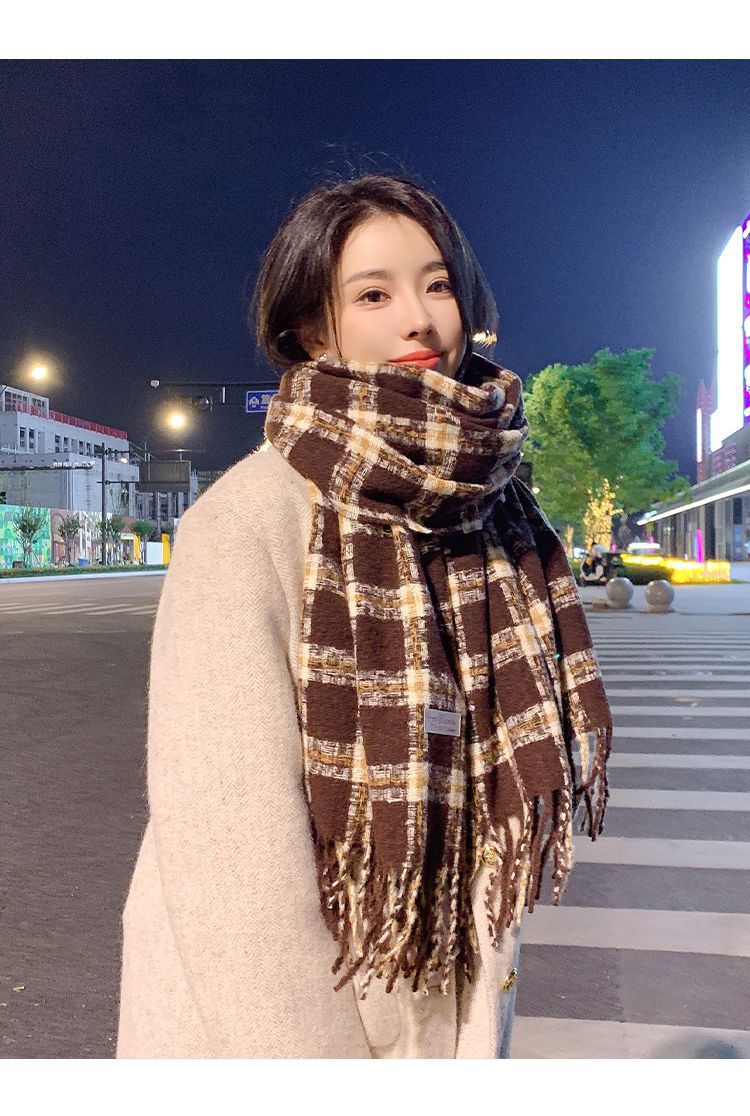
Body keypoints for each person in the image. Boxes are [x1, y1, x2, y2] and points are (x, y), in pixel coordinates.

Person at [116, 173, 612, 1059]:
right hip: (272, 1029)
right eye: (373, 295)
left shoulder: (493, 509)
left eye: (437, 285)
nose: (418, 319)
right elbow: (230, 854)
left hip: (434, 997)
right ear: (314, 328)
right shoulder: (249, 521)